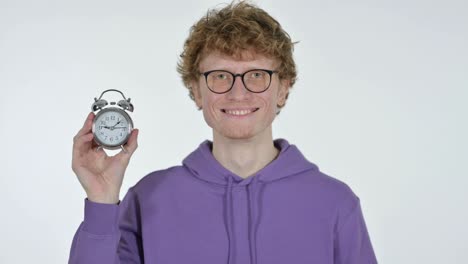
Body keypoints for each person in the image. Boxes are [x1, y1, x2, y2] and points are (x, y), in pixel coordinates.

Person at [69, 2, 378, 264]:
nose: (238, 93)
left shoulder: (335, 202)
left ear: (283, 88)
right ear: (196, 91)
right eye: (220, 76)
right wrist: (101, 200)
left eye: (257, 75)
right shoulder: (148, 198)